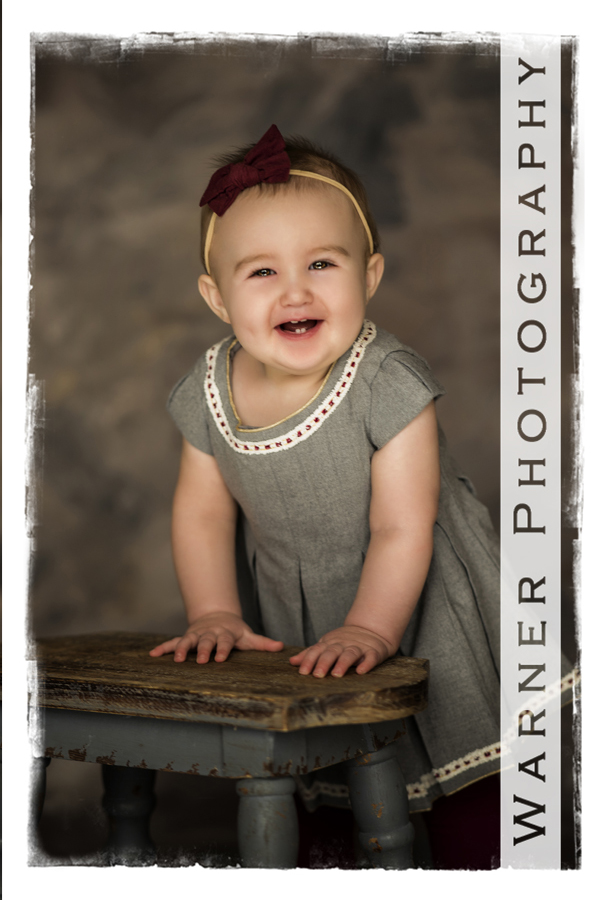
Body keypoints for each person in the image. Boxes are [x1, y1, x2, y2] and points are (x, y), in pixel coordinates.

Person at [150, 123, 504, 828]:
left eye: (321, 264)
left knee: (464, 782)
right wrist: (215, 611)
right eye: (261, 272)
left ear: (369, 274)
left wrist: (372, 629)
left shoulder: (386, 381)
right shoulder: (209, 388)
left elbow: (402, 524)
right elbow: (202, 514)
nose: (294, 291)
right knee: (331, 787)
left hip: (417, 599)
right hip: (300, 609)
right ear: (217, 299)